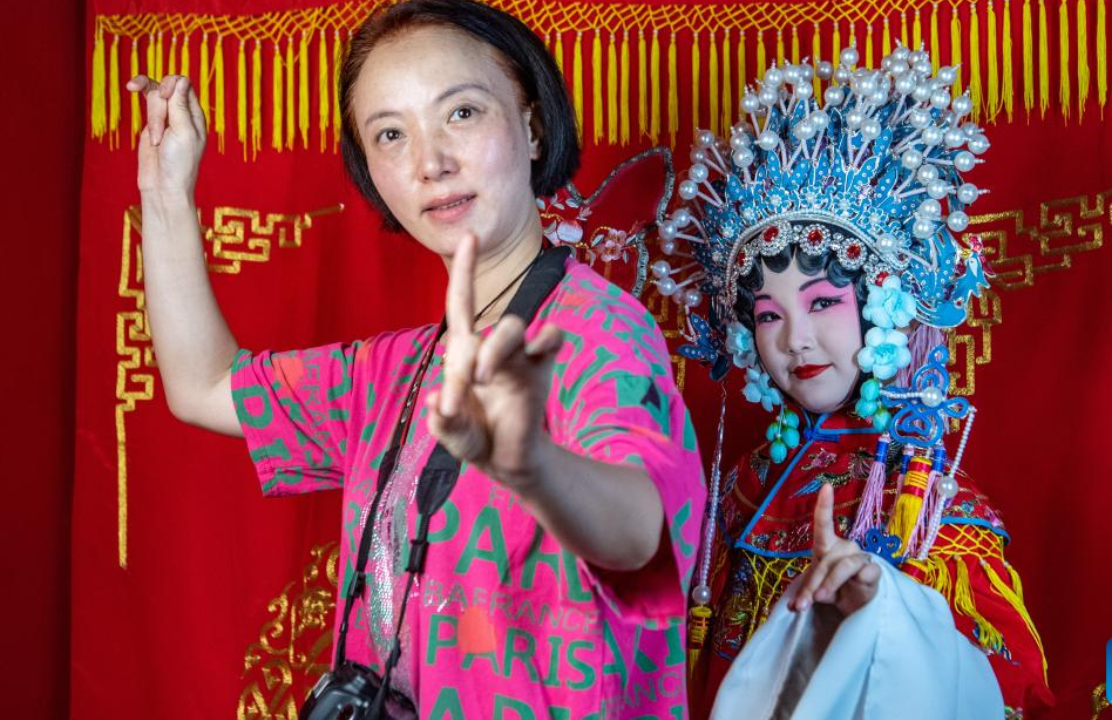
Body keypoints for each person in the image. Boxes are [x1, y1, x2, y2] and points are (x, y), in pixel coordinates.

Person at [126, 1, 705, 718]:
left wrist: (531, 464)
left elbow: (638, 533)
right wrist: (166, 194)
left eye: (461, 113)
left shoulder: (597, 331)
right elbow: (204, 384)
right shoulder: (394, 372)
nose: (430, 162)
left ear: (530, 124)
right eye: (390, 134)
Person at [650, 43, 1054, 719]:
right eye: (768, 314)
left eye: (822, 303)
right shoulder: (743, 490)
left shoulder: (921, 502)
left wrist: (885, 607)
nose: (794, 339)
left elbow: (1009, 688)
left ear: (881, 311)